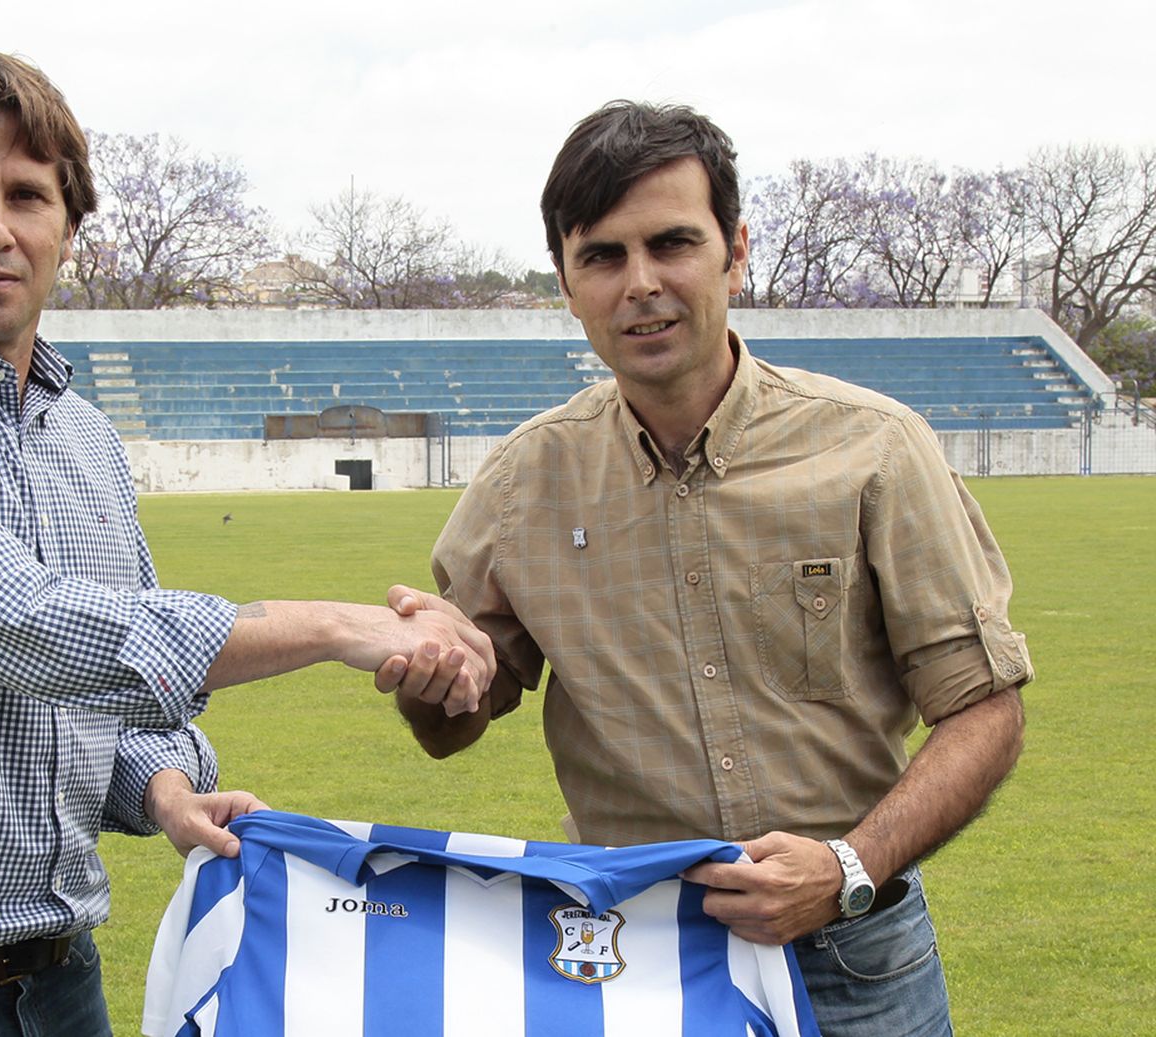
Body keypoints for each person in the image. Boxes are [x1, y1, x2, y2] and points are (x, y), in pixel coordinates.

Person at [0, 46, 490, 1037]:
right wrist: (340, 625)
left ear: (68, 226)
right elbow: (37, 629)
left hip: (57, 974)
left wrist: (166, 789)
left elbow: (117, 698)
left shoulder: (82, 437)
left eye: (27, 195)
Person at [381, 101, 1030, 1036]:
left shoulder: (876, 449)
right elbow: (453, 727)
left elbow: (985, 708)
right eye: (603, 256)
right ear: (566, 283)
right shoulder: (523, 483)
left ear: (736, 251)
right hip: (636, 959)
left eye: (672, 243)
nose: (641, 283)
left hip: (857, 955)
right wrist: (434, 682)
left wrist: (847, 865)